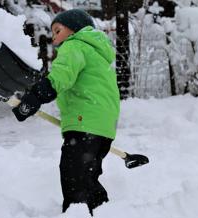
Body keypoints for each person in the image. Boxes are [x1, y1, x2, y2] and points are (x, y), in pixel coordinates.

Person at [12, 9, 120, 216]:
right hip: (102, 126)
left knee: (74, 176)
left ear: (75, 30)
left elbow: (61, 76)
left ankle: (77, 212)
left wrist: (35, 97)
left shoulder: (75, 46)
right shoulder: (98, 54)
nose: (54, 36)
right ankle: (104, 211)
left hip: (84, 123)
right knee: (87, 176)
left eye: (58, 30)